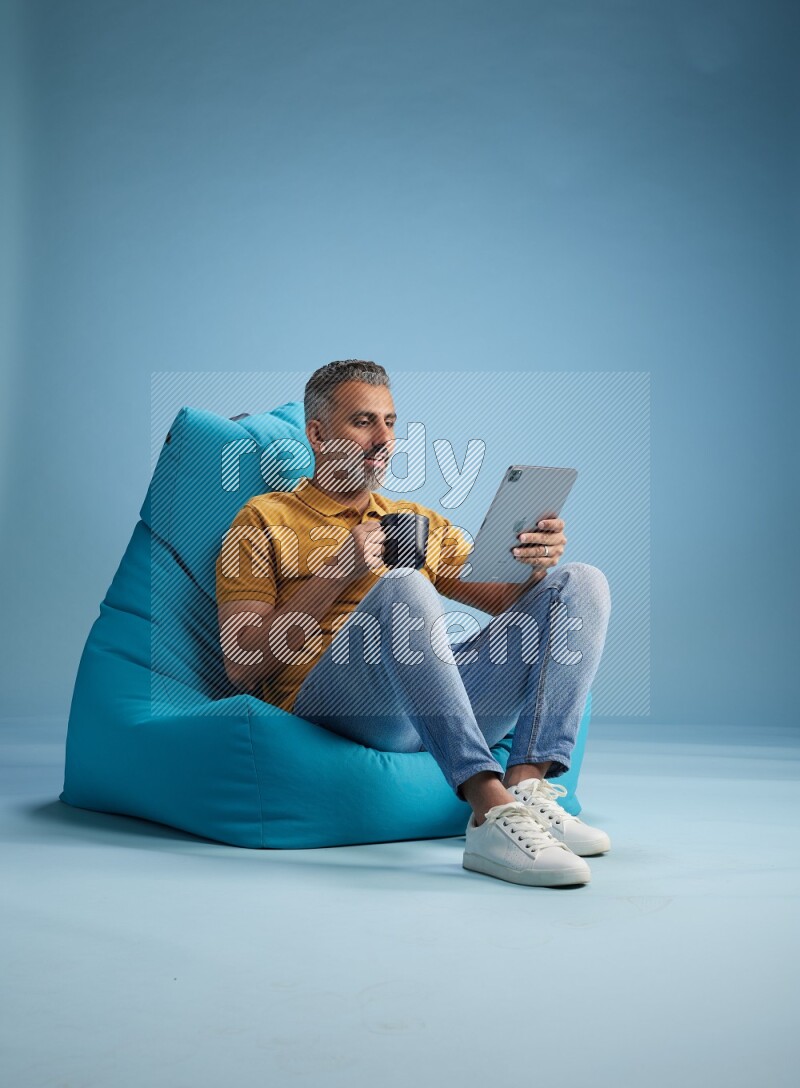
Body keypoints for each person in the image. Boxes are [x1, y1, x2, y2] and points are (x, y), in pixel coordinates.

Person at [215, 360, 612, 888]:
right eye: (363, 422)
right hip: (338, 706)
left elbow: (507, 601)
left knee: (580, 582)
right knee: (405, 585)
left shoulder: (411, 519)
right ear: (318, 434)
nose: (384, 439)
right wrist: (338, 570)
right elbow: (242, 665)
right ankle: (489, 811)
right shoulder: (263, 518)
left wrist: (534, 562)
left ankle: (526, 785)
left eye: (390, 422)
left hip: (426, 702)